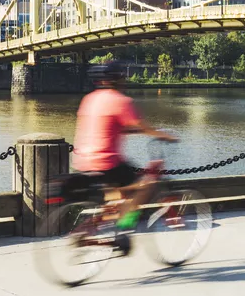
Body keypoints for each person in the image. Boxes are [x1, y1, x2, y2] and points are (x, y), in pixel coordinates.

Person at [72, 61, 177, 242]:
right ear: (117, 79)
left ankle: (90, 228)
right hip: (107, 162)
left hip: (81, 160)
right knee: (147, 184)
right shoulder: (120, 100)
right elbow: (142, 126)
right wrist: (164, 135)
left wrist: (134, 131)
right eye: (122, 76)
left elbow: (110, 126)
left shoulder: (89, 99)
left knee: (117, 197)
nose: (125, 79)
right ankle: (124, 228)